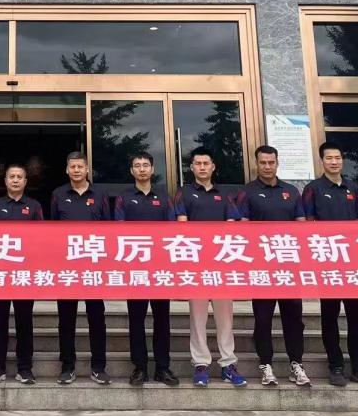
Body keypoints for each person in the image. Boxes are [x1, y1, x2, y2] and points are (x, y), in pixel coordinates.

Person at [302, 141, 358, 388]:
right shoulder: (313, 189)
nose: (334, 162)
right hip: (327, 263)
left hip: (352, 263)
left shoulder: (353, 188)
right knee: (330, 316)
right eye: (329, 158)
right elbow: (307, 225)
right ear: (322, 161)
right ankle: (335, 366)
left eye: (337, 158)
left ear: (342, 160)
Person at [235, 145, 311, 388]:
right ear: (256, 164)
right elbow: (242, 227)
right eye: (263, 162)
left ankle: (296, 363)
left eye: (271, 162)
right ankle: (265, 364)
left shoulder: (291, 191)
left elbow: (301, 223)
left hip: (288, 264)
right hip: (262, 266)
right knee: (263, 317)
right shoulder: (247, 192)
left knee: (294, 317)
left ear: (277, 163)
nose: (267, 166)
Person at [174, 147, 246, 388]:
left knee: (225, 318)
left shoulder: (225, 195)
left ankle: (228, 364)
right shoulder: (183, 193)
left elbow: (232, 226)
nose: (202, 167)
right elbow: (182, 227)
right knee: (198, 318)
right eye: (198, 163)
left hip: (221, 264)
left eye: (206, 163)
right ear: (191, 167)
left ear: (213, 167)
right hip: (196, 265)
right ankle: (201, 364)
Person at [113, 151, 179, 387]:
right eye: (137, 165)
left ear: (152, 169)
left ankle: (163, 367)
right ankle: (139, 367)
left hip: (159, 268)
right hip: (136, 268)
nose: (142, 169)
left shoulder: (164, 196)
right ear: (131, 171)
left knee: (162, 319)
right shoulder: (123, 198)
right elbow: (118, 229)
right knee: (136, 319)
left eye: (145, 165)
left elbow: (173, 229)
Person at [50, 151, 111, 385]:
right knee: (66, 320)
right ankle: (67, 367)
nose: (76, 170)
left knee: (97, 318)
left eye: (80, 166)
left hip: (93, 268)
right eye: (72, 167)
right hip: (67, 268)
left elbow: (108, 230)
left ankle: (99, 367)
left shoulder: (100, 195)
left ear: (87, 170)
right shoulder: (58, 194)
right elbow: (52, 230)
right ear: (67, 170)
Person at [0, 163, 44, 385]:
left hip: (24, 274)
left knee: (24, 322)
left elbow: (42, 238)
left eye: (20, 177)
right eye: (12, 177)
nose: (16, 180)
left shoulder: (34, 206)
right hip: (0, 273)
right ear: (6, 181)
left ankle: (25, 368)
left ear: (26, 182)